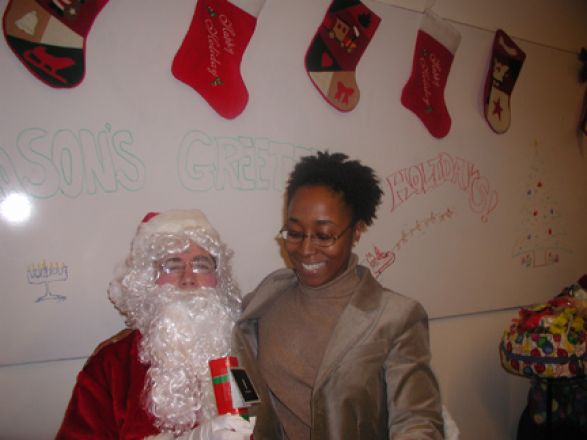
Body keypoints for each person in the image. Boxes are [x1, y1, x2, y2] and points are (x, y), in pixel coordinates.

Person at [233, 151, 445, 439]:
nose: (305, 250)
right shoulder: (268, 296)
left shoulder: (397, 317)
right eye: (295, 233)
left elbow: (417, 421)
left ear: (356, 231)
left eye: (323, 236)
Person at [56, 209, 253, 440]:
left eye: (201, 264)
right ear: (147, 280)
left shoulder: (248, 351)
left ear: (218, 278)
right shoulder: (111, 367)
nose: (188, 278)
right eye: (172, 265)